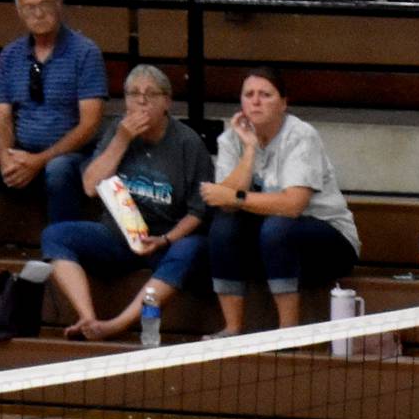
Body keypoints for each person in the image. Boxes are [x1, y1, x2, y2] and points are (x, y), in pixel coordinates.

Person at [41, 65, 209, 342]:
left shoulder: (188, 143)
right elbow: (89, 187)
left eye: (150, 94)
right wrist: (121, 140)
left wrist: (165, 240)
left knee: (191, 248)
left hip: (163, 238)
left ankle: (119, 324)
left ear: (167, 102)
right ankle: (87, 317)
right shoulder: (117, 131)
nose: (141, 101)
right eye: (133, 94)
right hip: (117, 234)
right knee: (55, 235)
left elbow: (198, 212)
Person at [0, 0, 105, 257]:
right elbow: (1, 116)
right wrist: (6, 157)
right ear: (20, 13)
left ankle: (62, 256)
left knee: (58, 170)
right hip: (22, 152)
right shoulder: (10, 55)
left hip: (72, 156)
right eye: (29, 7)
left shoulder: (85, 52)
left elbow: (90, 123)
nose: (38, 13)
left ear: (59, 5)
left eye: (44, 4)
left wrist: (39, 161)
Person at [200, 67, 359, 335]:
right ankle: (233, 328)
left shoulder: (300, 135)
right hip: (270, 246)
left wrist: (236, 197)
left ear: (284, 103)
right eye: (249, 94)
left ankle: (288, 332)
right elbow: (224, 204)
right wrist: (249, 150)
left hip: (329, 241)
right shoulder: (231, 138)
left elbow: (292, 204)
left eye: (265, 94)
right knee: (224, 227)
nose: (256, 101)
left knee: (278, 228)